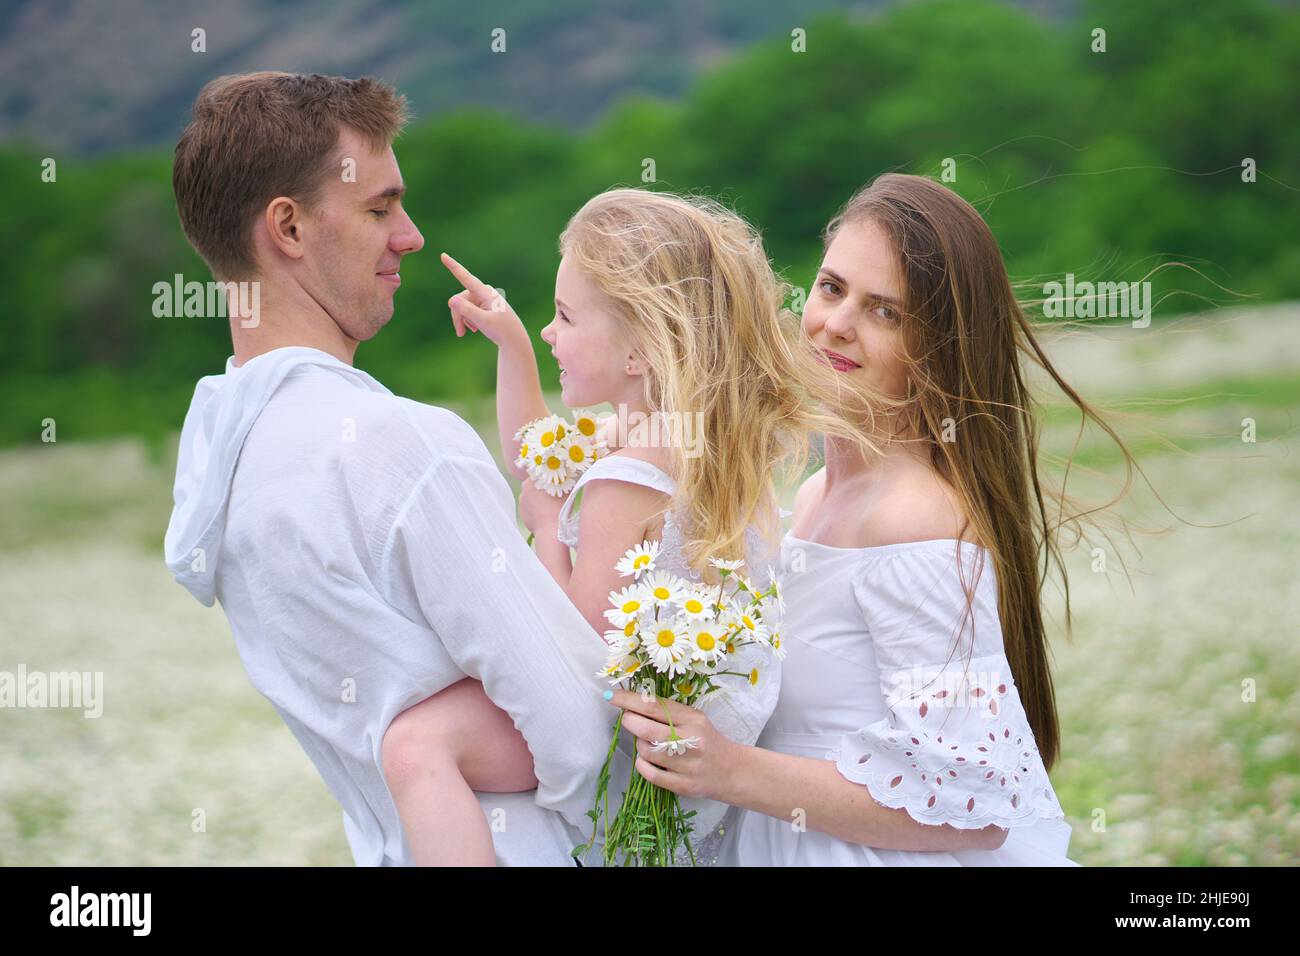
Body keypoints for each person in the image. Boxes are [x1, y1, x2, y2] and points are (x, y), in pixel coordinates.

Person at [163, 71, 620, 866]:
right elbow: (580, 726)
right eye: (379, 208)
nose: (408, 236)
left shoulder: (223, 461)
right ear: (289, 229)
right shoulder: (401, 447)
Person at [611, 173, 1115, 865]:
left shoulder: (915, 519)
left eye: (886, 312)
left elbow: (974, 810)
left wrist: (728, 769)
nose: (837, 323)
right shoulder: (818, 494)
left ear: (938, 348)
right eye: (831, 288)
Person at [381, 188, 871, 866]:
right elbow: (540, 458)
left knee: (413, 745)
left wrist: (550, 527)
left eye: (564, 317)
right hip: (682, 747)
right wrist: (513, 345)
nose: (552, 332)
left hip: (619, 749)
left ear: (639, 350)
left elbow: (571, 648)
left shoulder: (623, 481)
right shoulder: (697, 444)